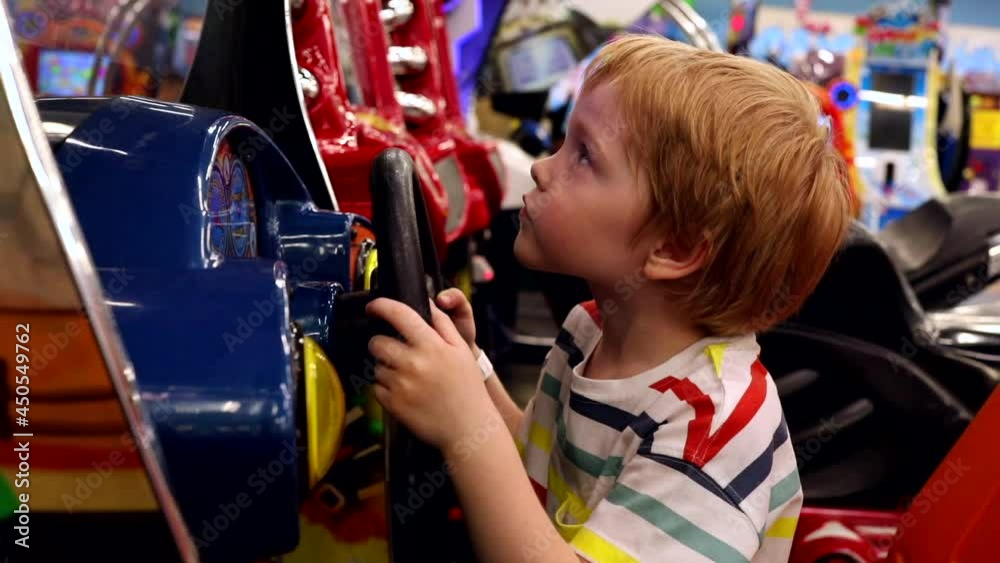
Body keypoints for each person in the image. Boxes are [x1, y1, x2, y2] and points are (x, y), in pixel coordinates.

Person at [365, 34, 852, 562]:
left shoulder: (712, 429)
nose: (541, 168)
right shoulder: (590, 331)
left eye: (583, 156)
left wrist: (461, 422)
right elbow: (533, 473)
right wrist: (469, 373)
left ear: (675, 247)